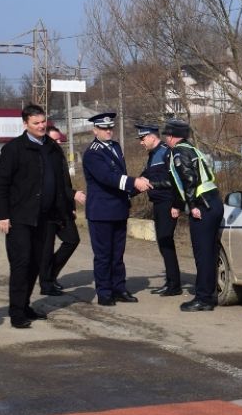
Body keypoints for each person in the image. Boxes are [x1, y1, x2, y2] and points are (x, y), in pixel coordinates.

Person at [0, 104, 72, 328]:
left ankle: (25, 304)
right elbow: (0, 185)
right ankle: (17, 312)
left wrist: (64, 209)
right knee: (21, 263)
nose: (41, 126)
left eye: (43, 122)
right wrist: (2, 215)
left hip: (46, 218)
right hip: (20, 217)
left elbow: (61, 181)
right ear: (25, 124)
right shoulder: (14, 149)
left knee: (37, 263)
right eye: (36, 123)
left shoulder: (52, 148)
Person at [82, 112, 151, 306]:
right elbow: (107, 178)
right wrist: (133, 182)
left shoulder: (115, 146)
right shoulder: (92, 153)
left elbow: (120, 173)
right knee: (103, 255)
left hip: (118, 209)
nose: (108, 131)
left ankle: (119, 288)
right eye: (103, 128)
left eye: (110, 128)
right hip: (101, 211)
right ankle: (104, 292)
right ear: (95, 130)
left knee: (117, 254)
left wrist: (133, 187)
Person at [161, 118, 223, 312]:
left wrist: (192, 205)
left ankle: (203, 299)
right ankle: (210, 294)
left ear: (172, 136)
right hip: (213, 201)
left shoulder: (178, 152)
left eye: (167, 135)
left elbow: (189, 180)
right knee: (210, 252)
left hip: (202, 205)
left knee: (203, 254)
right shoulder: (193, 149)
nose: (165, 139)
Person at [38, 123, 85, 296]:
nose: (58, 143)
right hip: (47, 210)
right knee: (47, 248)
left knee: (72, 240)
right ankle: (46, 284)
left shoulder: (59, 156)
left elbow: (65, 183)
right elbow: (51, 185)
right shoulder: (42, 158)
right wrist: (73, 194)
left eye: (59, 140)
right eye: (55, 140)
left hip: (63, 209)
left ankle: (51, 274)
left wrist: (71, 206)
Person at [136, 123, 182, 296]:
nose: (141, 142)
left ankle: (174, 285)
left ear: (151, 137)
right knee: (163, 243)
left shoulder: (166, 152)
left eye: (142, 138)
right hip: (158, 203)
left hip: (168, 203)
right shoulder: (153, 155)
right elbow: (144, 178)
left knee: (166, 241)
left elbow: (176, 180)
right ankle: (171, 282)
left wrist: (176, 204)